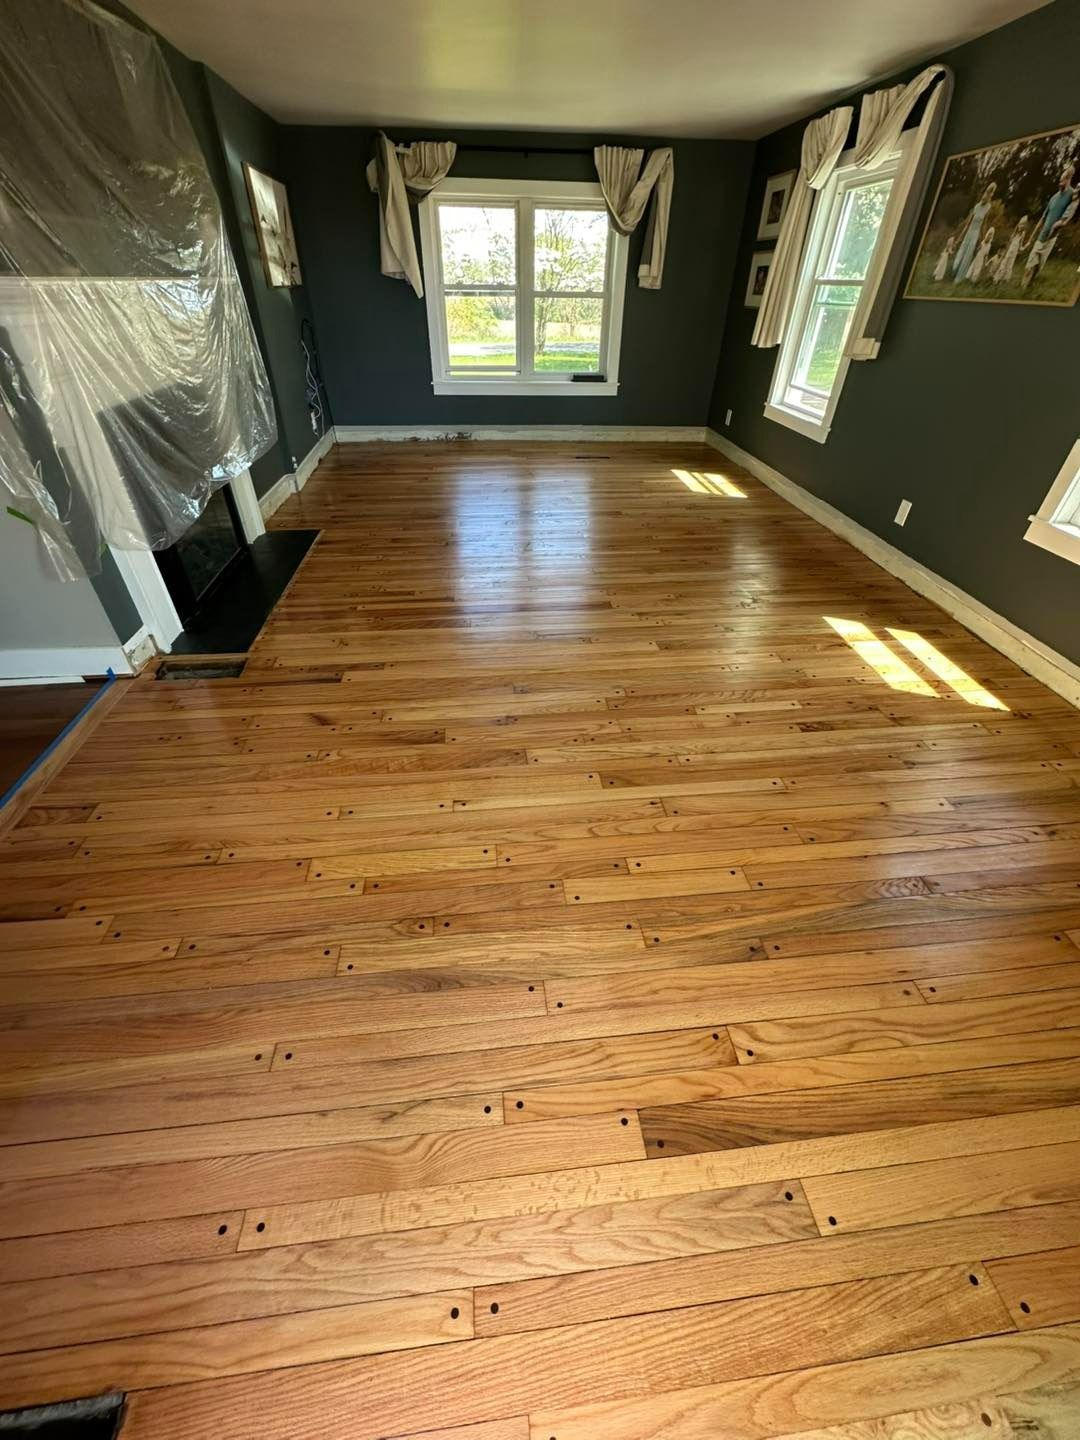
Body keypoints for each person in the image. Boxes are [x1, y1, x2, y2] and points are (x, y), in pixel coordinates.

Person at [1022, 163, 1078, 289]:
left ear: (1068, 179)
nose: (1060, 183)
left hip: (1051, 239)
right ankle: (1023, 289)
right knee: (1029, 265)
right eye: (1059, 180)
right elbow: (1042, 218)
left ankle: (1029, 286)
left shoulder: (1072, 195)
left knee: (1037, 268)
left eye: (1062, 180)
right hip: (1041, 237)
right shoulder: (1053, 198)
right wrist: (1030, 239)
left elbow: (1071, 211)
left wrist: (1061, 223)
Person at [952, 181, 996, 279]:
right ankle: (954, 270)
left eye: (988, 195)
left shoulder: (988, 208)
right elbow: (967, 224)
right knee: (961, 252)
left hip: (976, 234)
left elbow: (984, 225)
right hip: (969, 232)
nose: (985, 197)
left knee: (968, 255)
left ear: (990, 197)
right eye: (984, 194)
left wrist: (983, 240)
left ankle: (959, 278)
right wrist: (959, 239)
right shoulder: (976, 206)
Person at [992, 216, 1029, 284]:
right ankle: (997, 279)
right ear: (1018, 225)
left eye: (1023, 225)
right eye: (1020, 224)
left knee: (1009, 266)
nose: (1021, 226)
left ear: (1024, 227)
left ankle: (1004, 280)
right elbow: (1008, 244)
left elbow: (1020, 248)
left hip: (1013, 254)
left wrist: (1026, 246)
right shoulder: (1014, 234)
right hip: (1008, 252)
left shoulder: (1022, 235)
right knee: (1003, 264)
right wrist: (1004, 252)